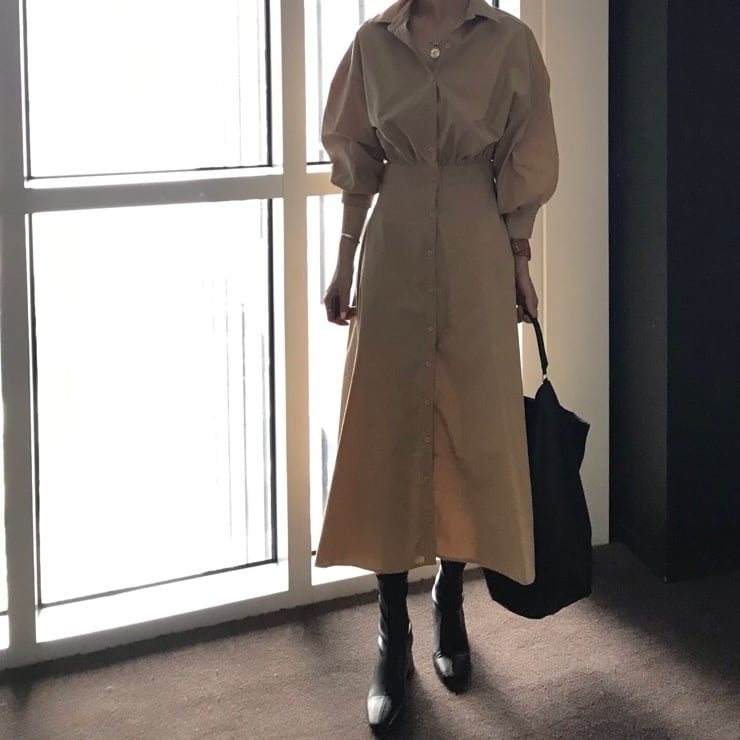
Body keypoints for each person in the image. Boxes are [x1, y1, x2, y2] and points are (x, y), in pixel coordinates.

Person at [317, 0, 558, 731]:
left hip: (475, 246)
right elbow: (357, 160)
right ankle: (392, 634)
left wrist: (520, 257)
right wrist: (344, 260)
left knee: (469, 428)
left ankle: (449, 600)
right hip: (392, 248)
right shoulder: (372, 44)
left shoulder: (510, 42)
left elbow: (527, 153)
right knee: (388, 430)